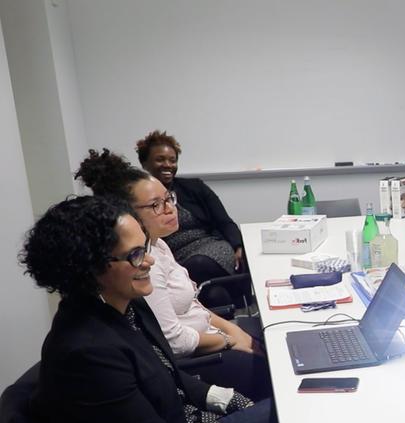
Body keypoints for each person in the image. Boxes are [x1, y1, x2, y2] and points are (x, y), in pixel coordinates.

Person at [19, 196, 281, 423]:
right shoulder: (86, 354)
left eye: (145, 247)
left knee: (292, 411)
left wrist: (228, 398)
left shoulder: (126, 306)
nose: (149, 261)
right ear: (90, 267)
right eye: (135, 254)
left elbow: (167, 376)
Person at [75, 149, 270, 400]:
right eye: (156, 205)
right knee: (279, 375)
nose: (170, 209)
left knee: (277, 343)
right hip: (199, 360)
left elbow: (194, 306)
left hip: (211, 338)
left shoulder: (158, 244)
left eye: (169, 199)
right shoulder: (144, 266)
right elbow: (174, 341)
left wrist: (236, 333)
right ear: (129, 214)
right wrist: (229, 340)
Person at [135, 129, 246, 307]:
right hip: (173, 257)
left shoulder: (194, 187)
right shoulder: (138, 198)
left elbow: (224, 221)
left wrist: (238, 246)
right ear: (144, 163)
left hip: (211, 249)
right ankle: (232, 302)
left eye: (172, 160)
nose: (168, 165)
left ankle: (234, 300)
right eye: (160, 159)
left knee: (198, 265)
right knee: (215, 295)